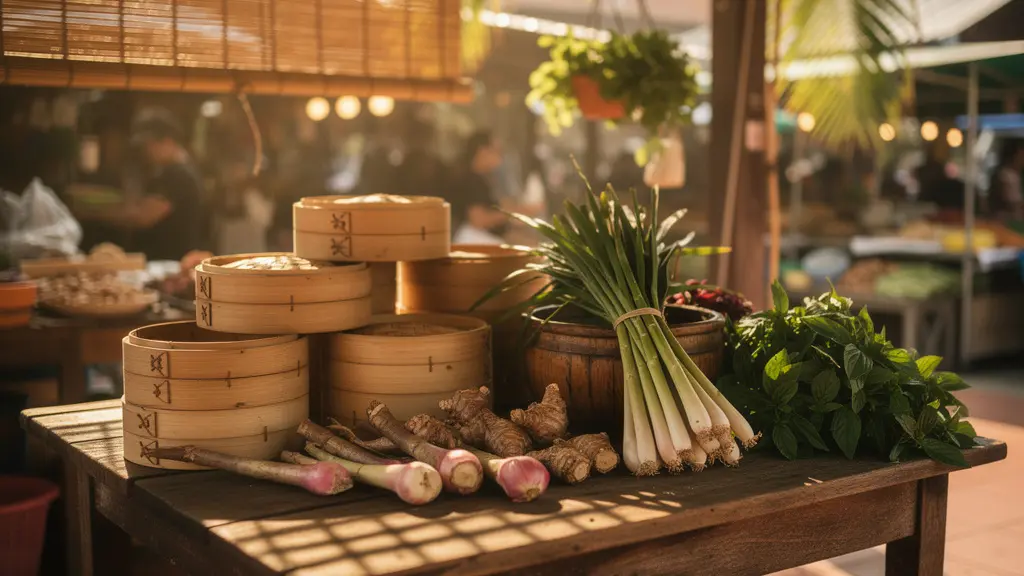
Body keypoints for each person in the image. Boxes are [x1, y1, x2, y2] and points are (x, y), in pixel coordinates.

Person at [87, 109, 206, 261]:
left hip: (168, 263)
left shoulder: (177, 174)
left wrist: (93, 214)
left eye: (150, 145)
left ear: (167, 141)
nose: (146, 151)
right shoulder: (172, 171)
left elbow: (143, 216)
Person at [449, 131, 508, 244]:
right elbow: (478, 220)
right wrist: (512, 215)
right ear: (482, 151)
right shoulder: (471, 179)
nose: (500, 157)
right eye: (496, 151)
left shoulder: (479, 178)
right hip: (469, 239)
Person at [988, 139, 1024, 221]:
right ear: (1014, 156)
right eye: (1021, 156)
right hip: (1004, 219)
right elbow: (1009, 202)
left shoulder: (1016, 175)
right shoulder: (1005, 175)